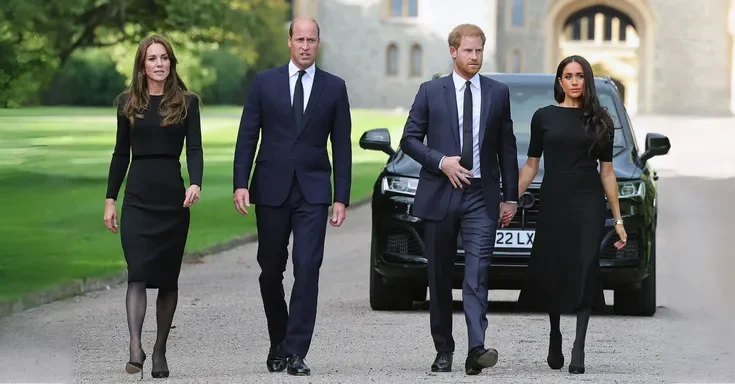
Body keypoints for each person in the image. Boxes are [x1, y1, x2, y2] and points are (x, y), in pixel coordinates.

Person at [232, 17, 352, 376]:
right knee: (270, 271)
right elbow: (247, 135)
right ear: (289, 42)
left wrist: (341, 197)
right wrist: (241, 183)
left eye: (311, 40)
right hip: (270, 187)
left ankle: (297, 351)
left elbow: (342, 146)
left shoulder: (334, 87)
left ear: (319, 43)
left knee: (308, 267)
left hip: (313, 191)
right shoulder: (264, 82)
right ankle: (278, 339)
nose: (305, 46)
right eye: (299, 39)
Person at [400, 23, 519, 375]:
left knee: (477, 274)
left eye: (479, 51)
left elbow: (506, 147)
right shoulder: (430, 91)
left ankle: (477, 348)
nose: (475, 57)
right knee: (438, 275)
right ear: (453, 51)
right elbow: (409, 139)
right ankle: (444, 349)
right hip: (441, 193)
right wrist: (440, 161)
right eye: (468, 51)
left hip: (481, 196)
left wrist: (509, 197)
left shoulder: (498, 93)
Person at [514, 55, 628, 374]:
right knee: (556, 267)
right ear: (560, 82)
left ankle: (579, 345)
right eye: (568, 76)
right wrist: (510, 200)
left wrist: (617, 220)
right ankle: (555, 333)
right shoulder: (543, 117)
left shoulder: (601, 120)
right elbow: (531, 165)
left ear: (586, 81)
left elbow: (607, 173)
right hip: (554, 199)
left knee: (585, 265)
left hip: (589, 200)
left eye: (580, 76)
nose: (574, 81)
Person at [103, 35, 203, 379]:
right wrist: (110, 199)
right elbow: (119, 154)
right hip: (137, 199)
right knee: (138, 273)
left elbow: (195, 150)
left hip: (172, 201)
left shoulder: (187, 102)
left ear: (171, 63)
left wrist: (196, 182)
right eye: (152, 58)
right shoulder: (127, 103)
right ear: (142, 65)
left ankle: (159, 349)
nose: (159, 64)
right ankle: (135, 348)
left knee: (167, 280)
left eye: (164, 58)